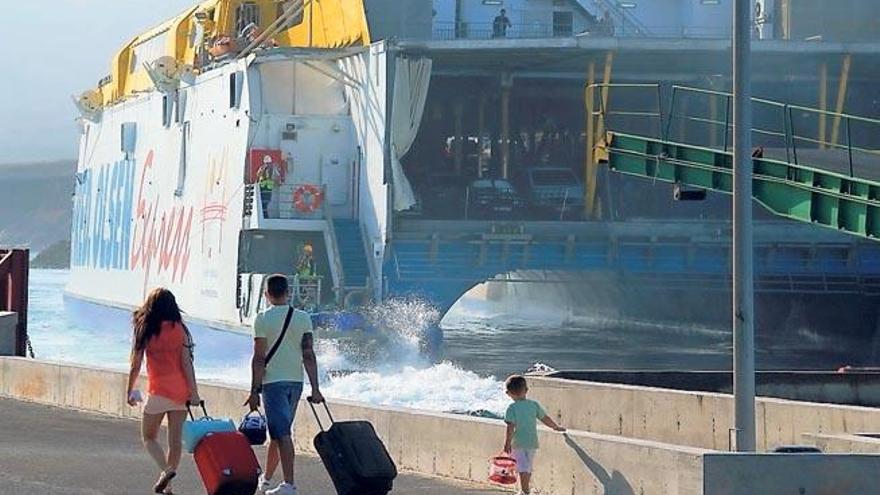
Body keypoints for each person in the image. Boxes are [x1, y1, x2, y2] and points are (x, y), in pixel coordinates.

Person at [245, 274, 323, 495]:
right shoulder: (303, 317)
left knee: (282, 434)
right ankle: (267, 479)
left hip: (273, 384)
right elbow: (308, 354)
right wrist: (315, 388)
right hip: (295, 382)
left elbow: (259, 357)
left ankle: (289, 484)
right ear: (288, 292)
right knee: (279, 432)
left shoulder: (262, 319)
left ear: (267, 294)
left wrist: (254, 391)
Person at [127, 288, 200, 495]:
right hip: (180, 392)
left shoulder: (145, 328)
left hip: (158, 390)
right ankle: (168, 484)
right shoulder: (180, 330)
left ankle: (166, 471)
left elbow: (136, 364)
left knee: (149, 437)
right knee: (175, 442)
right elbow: (187, 363)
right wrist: (193, 392)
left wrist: (130, 389)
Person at [502, 375, 565, 495]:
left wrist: (507, 443)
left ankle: (525, 491)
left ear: (508, 393)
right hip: (532, 442)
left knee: (522, 467)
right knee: (528, 467)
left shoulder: (512, 408)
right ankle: (526, 489)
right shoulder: (534, 405)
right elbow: (544, 418)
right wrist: (555, 427)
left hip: (518, 443)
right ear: (526, 390)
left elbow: (510, 427)